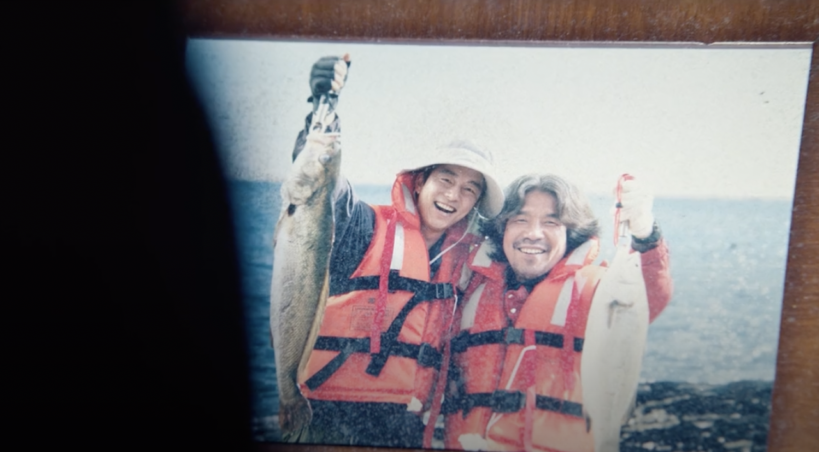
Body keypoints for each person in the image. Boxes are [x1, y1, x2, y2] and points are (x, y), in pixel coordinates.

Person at [278, 55, 505, 448]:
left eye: (469, 189)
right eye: (446, 179)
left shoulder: (469, 263)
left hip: (405, 428)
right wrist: (322, 109)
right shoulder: (363, 226)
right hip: (326, 416)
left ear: (475, 203)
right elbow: (320, 191)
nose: (454, 195)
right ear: (419, 182)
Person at [443, 174, 673, 452]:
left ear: (571, 234)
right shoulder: (469, 287)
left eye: (551, 222)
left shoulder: (598, 291)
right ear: (501, 229)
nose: (533, 233)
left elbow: (647, 296)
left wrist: (646, 236)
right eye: (520, 220)